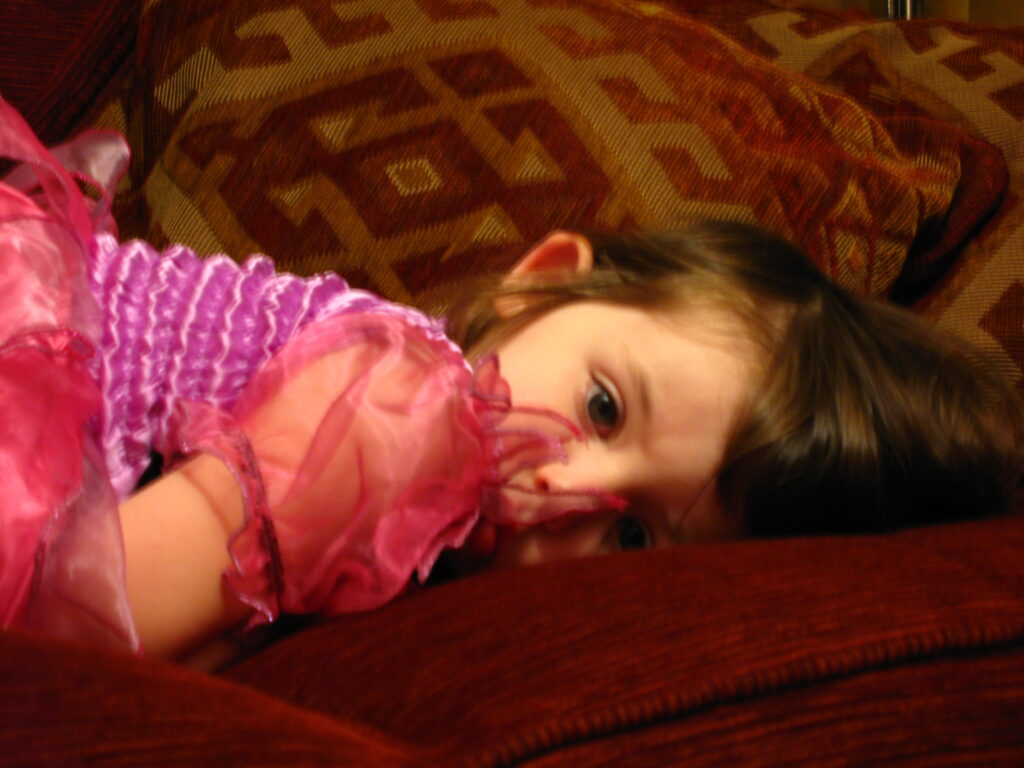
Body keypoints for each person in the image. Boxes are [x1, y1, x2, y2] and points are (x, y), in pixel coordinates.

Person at [1, 97, 1021, 669]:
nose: (564, 487)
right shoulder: (395, 408)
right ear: (542, 283)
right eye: (603, 407)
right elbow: (80, 630)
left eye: (632, 539)